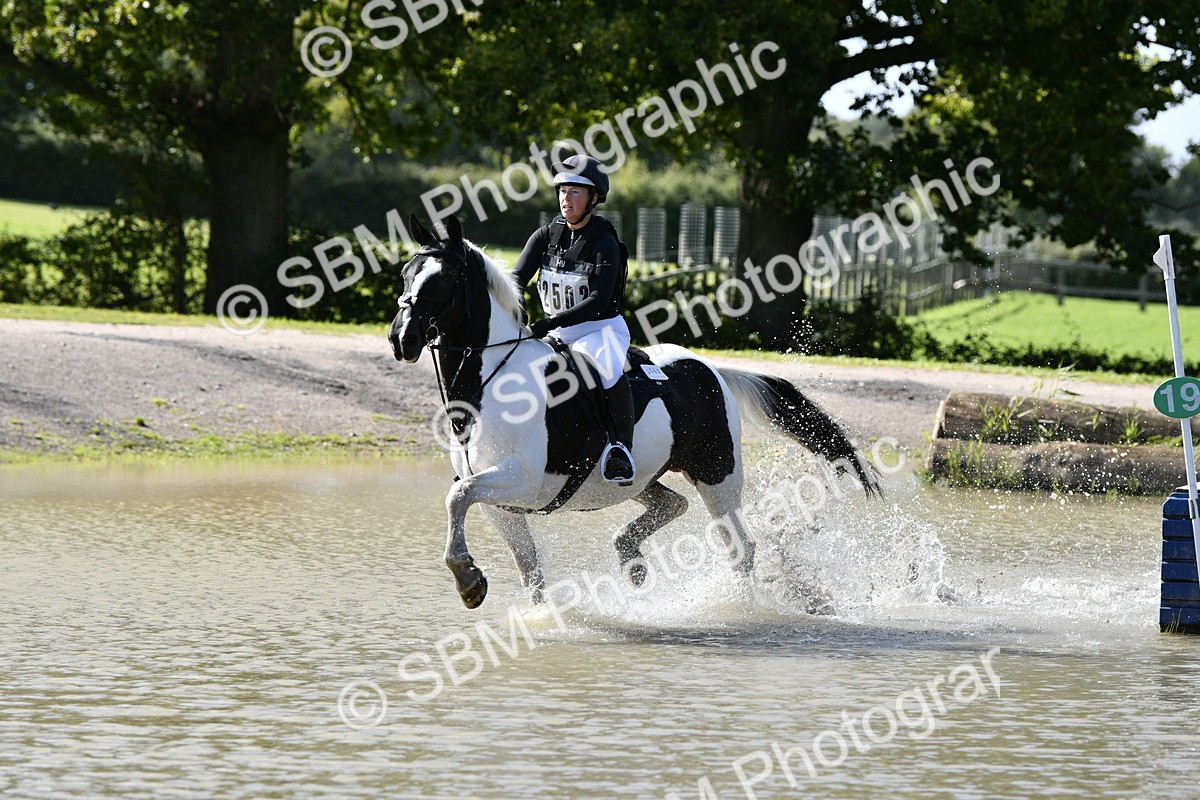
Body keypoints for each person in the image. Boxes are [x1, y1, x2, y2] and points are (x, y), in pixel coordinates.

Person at [511, 153, 636, 485]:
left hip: (600, 330)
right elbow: (515, 281)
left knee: (608, 368)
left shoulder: (604, 243)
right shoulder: (545, 236)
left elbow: (597, 302)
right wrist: (515, 310)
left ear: (593, 198)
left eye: (575, 192)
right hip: (560, 332)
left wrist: (550, 323)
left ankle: (621, 448)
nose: (567, 199)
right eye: (563, 191)